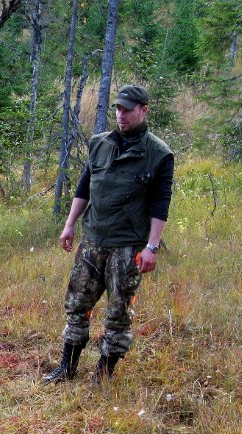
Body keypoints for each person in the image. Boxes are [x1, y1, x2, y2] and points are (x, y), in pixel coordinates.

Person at [44, 84, 174, 383]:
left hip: (127, 245)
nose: (121, 114)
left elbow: (160, 203)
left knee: (118, 313)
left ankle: (103, 374)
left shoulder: (159, 154)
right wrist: (69, 224)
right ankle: (67, 367)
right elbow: (84, 187)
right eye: (117, 108)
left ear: (143, 110)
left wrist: (152, 246)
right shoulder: (100, 143)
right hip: (93, 240)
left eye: (127, 109)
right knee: (77, 304)